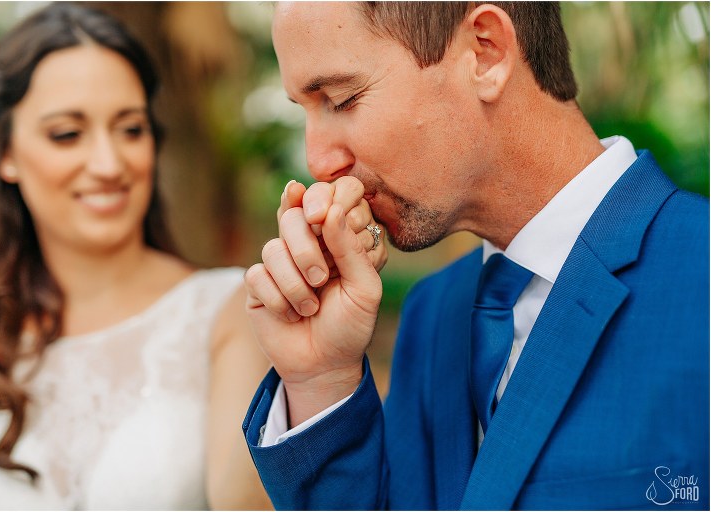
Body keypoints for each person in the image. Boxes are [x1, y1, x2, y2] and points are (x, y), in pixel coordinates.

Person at [242, 2, 709, 510]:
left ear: (485, 52)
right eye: (303, 109)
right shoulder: (431, 315)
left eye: (342, 98)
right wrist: (320, 380)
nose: (318, 161)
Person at [0, 3, 384, 509]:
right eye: (67, 133)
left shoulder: (231, 313)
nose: (109, 164)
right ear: (5, 153)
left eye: (131, 129)